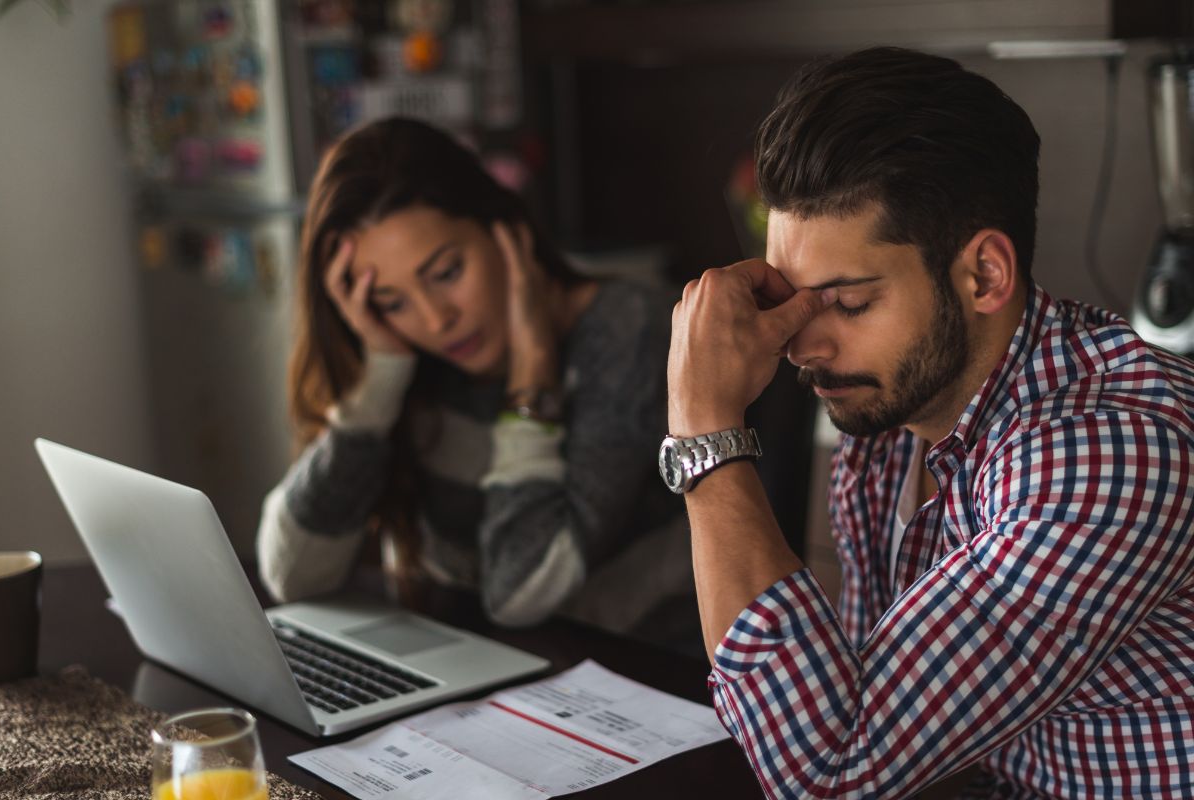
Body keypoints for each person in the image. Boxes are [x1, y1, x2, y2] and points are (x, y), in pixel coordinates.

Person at [665, 47, 1194, 798]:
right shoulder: (887, 423)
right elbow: (856, 710)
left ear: (984, 275)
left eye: (847, 303)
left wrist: (705, 431)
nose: (803, 348)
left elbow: (834, 769)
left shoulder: (1109, 452)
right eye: (792, 299)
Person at [258, 117, 695, 648]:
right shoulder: (412, 359)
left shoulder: (629, 330)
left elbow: (520, 593)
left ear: (503, 227)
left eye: (445, 273)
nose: (435, 320)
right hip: (479, 674)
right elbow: (291, 575)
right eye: (392, 302)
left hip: (638, 681)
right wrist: (379, 382)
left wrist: (532, 374)